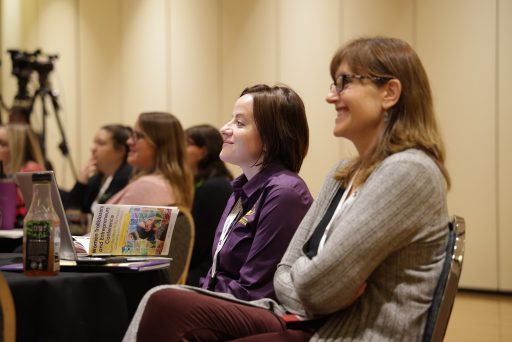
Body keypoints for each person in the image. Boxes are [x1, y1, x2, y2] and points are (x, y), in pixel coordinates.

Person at [123, 37, 451, 341]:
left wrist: (306, 280)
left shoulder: (408, 171)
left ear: (389, 93)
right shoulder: (343, 173)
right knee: (161, 299)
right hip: (313, 320)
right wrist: (306, 279)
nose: (330, 95)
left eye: (344, 82)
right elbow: (289, 272)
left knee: (164, 302)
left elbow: (317, 288)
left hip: (350, 333)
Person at [194, 84, 313, 301]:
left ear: (270, 139)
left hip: (252, 312)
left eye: (239, 123)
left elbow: (254, 291)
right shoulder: (240, 189)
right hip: (220, 300)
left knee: (161, 300)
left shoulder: (284, 194)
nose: (224, 129)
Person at [107, 112, 194, 209]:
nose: (129, 141)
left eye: (138, 136)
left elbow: (105, 224)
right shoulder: (169, 183)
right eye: (132, 135)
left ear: (160, 145)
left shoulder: (148, 186)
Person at [184, 124, 234, 286]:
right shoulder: (199, 184)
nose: (179, 151)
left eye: (185, 144)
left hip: (207, 272)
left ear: (203, 152)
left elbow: (199, 244)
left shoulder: (215, 187)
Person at [65, 124, 132, 214]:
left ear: (120, 151)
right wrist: (80, 184)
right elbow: (71, 214)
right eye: (94, 143)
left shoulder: (128, 179)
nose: (92, 148)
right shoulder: (96, 179)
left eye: (100, 143)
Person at [0, 124, 46, 227]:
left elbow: (34, 215)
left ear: (17, 148)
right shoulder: (6, 173)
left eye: (2, 144)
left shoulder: (30, 170)